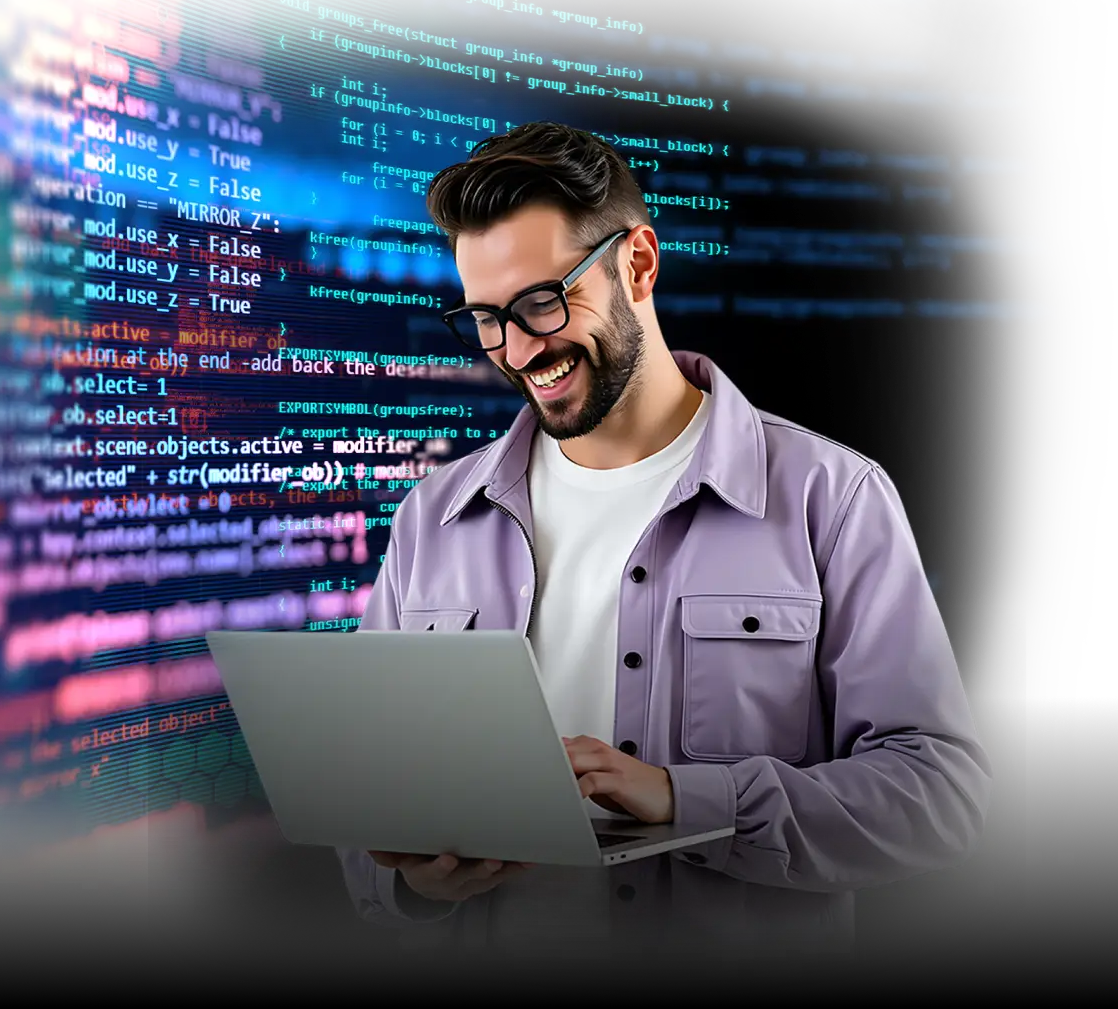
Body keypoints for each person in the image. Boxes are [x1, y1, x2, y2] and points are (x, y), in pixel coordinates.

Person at [336, 121, 992, 966]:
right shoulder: (432, 517)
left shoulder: (832, 497)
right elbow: (363, 826)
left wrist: (684, 799)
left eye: (542, 302)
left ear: (638, 264)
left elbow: (938, 795)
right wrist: (414, 882)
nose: (518, 349)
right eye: (488, 319)